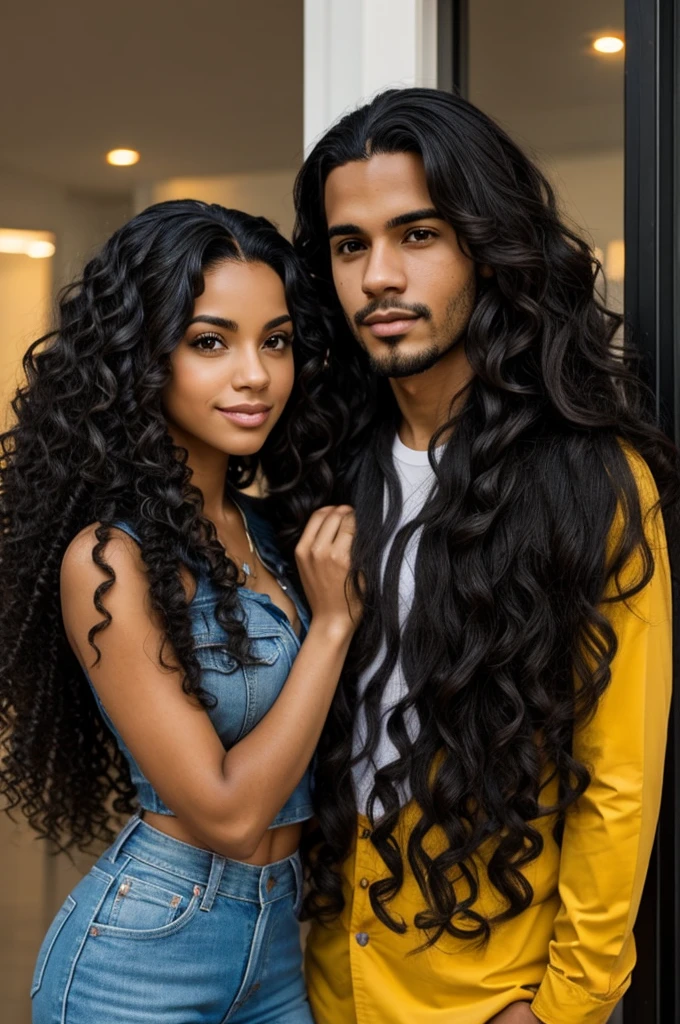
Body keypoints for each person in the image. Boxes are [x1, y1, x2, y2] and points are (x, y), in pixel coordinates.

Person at [293, 88, 677, 1024]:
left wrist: (567, 1006)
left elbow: (619, 775)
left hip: (489, 992)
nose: (378, 277)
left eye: (416, 235)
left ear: (487, 246)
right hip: (316, 981)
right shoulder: (321, 467)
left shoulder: (594, 481)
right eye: (351, 246)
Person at [0, 199, 359, 1024]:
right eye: (210, 342)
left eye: (275, 340)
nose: (256, 374)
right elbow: (229, 814)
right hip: (140, 961)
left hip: (277, 948)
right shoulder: (109, 561)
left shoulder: (275, 532)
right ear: (141, 360)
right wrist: (333, 627)